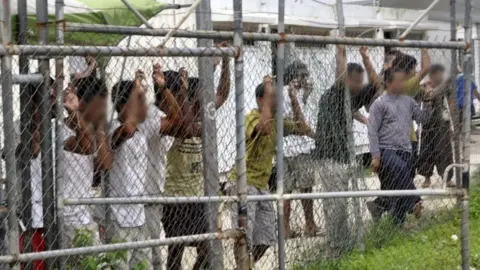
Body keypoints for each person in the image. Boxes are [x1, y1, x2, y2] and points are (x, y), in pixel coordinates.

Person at [229, 75, 311, 265]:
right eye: (272, 96)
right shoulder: (252, 117)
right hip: (243, 183)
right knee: (244, 237)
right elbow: (264, 128)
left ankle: (244, 267)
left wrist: (293, 97)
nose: (277, 100)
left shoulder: (277, 121)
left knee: (266, 237)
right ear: (261, 100)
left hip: (262, 185)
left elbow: (303, 128)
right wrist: (267, 89)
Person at [163, 50, 230, 270]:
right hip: (177, 197)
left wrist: (226, 63)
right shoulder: (179, 123)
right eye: (202, 94)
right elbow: (188, 128)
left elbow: (222, 93)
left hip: (200, 195)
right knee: (176, 250)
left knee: (207, 247)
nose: (208, 98)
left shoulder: (203, 116)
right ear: (192, 97)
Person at [313, 45, 378, 257]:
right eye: (356, 81)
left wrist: (365, 56)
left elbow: (376, 84)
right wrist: (341, 53)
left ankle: (342, 243)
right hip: (329, 157)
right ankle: (334, 248)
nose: (360, 86)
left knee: (340, 205)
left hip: (343, 156)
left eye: (361, 82)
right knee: (335, 206)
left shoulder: (352, 95)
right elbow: (340, 77)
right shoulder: (336, 93)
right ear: (347, 79)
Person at [367, 68, 432, 226]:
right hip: (385, 149)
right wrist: (375, 156)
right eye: (399, 81)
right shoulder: (379, 104)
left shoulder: (408, 101)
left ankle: (395, 222)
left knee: (397, 186)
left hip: (405, 149)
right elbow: (372, 130)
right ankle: (415, 202)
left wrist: (428, 101)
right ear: (388, 83)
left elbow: (423, 118)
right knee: (401, 169)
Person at [107, 71, 152, 269]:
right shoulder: (112, 128)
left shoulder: (142, 129)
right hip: (118, 216)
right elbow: (126, 130)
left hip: (138, 214)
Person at [140, 64, 182, 270]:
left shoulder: (157, 115)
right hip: (142, 196)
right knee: (150, 258)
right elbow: (178, 118)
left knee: (154, 256)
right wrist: (164, 87)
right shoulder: (150, 114)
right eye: (177, 94)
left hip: (152, 193)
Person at [282, 60, 318, 238]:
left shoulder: (292, 92)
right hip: (299, 147)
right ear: (293, 77)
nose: (306, 79)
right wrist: (315, 136)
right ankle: (309, 225)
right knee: (306, 189)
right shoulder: (289, 93)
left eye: (306, 75)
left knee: (286, 190)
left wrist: (306, 94)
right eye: (302, 76)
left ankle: (285, 228)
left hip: (284, 149)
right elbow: (300, 122)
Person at [416, 64, 456, 188]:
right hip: (427, 124)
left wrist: (452, 125)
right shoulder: (423, 86)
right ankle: (427, 178)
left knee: (444, 151)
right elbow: (422, 101)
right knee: (426, 151)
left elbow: (450, 104)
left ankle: (447, 178)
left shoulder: (445, 87)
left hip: (442, 123)